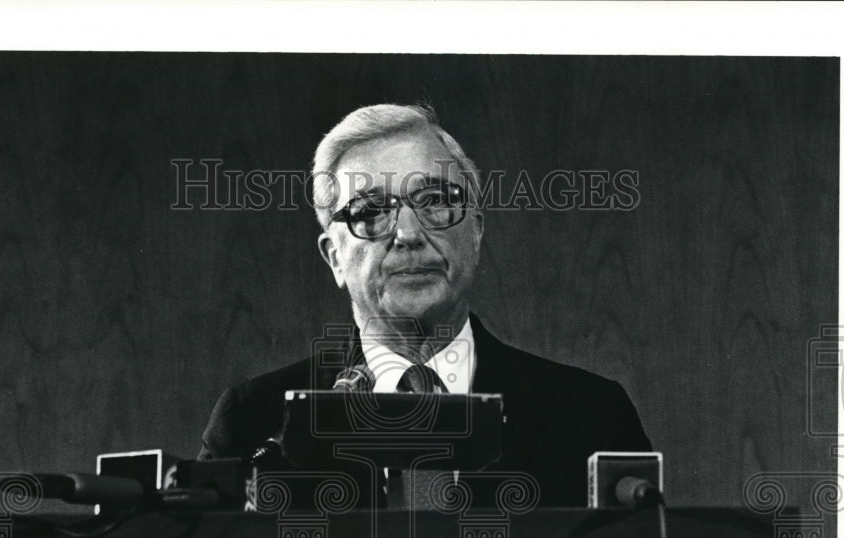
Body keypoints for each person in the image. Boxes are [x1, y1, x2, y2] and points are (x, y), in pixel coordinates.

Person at [200, 104, 651, 507]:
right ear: (334, 257)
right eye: (371, 211)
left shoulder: (591, 414)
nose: (409, 234)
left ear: (475, 233)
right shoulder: (255, 423)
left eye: (434, 201)